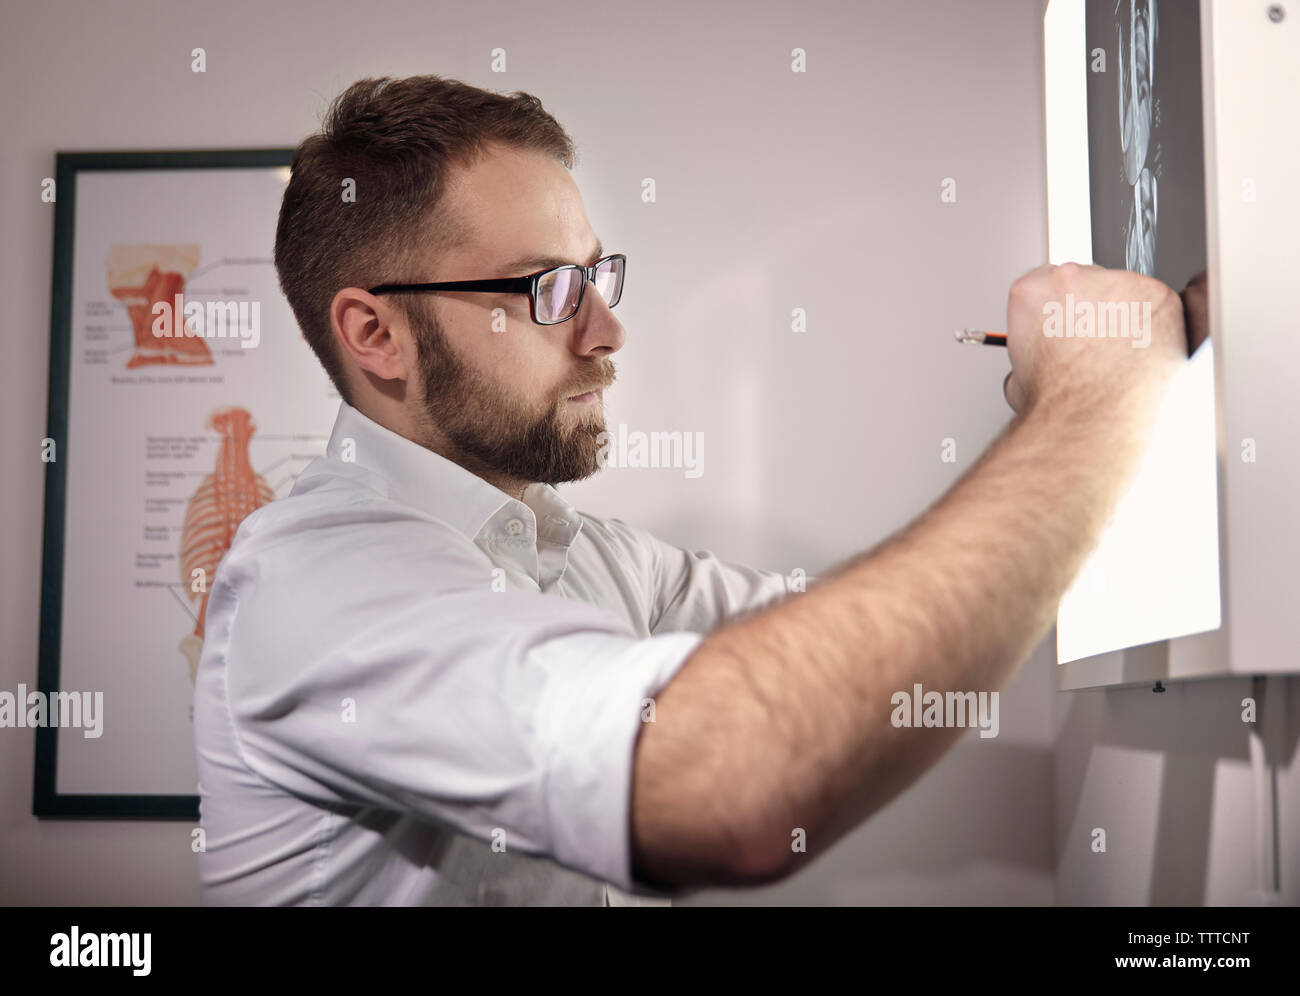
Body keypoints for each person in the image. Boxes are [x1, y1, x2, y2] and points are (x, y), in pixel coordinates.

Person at [194, 74, 1198, 905]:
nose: (605, 331)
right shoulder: (313, 587)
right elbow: (737, 783)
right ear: (376, 334)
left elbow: (850, 651)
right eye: (546, 289)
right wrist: (1089, 403)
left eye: (598, 277)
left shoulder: (576, 554)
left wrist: (1053, 421)